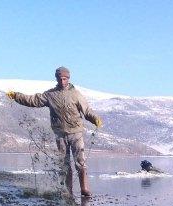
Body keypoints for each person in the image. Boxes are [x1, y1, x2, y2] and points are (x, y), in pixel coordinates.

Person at [7, 67, 102, 197]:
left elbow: (87, 111)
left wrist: (95, 119)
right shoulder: (50, 95)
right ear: (56, 79)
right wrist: (16, 96)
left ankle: (84, 189)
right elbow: (33, 100)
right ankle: (67, 191)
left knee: (80, 162)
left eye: (65, 78)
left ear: (68, 79)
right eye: (60, 78)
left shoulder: (76, 94)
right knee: (64, 163)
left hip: (76, 132)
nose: (62, 81)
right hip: (60, 134)